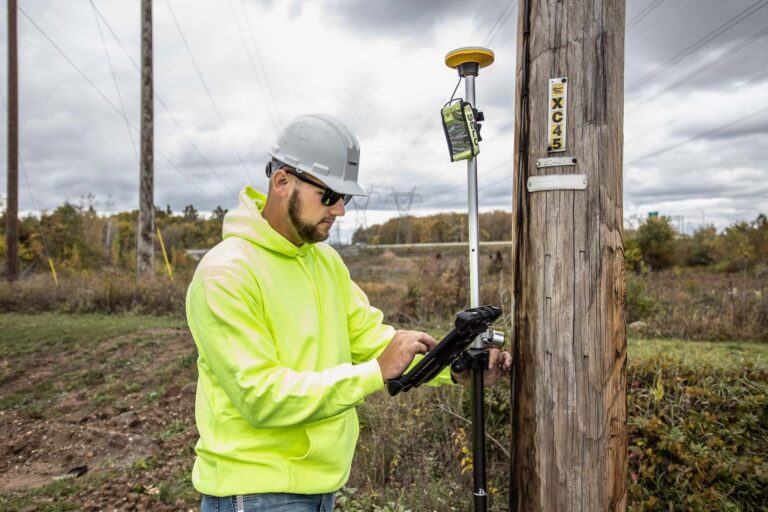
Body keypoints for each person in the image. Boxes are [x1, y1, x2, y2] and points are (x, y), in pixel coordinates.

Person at [186, 114, 512, 512]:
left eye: (347, 198)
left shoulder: (325, 262)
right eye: (330, 195)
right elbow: (261, 397)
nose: (339, 210)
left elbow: (377, 342)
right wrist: (374, 372)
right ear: (282, 181)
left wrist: (456, 366)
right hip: (254, 494)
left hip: (322, 490)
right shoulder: (226, 273)